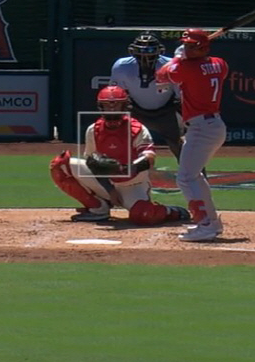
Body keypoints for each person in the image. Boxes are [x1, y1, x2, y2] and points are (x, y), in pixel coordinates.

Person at [49, 85, 190, 225]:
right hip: (108, 182)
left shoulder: (137, 129)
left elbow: (149, 158)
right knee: (60, 165)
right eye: (107, 106)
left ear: (124, 107)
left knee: (144, 215)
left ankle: (170, 211)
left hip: (133, 185)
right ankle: (98, 208)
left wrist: (127, 168)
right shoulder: (93, 130)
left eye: (116, 106)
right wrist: (110, 189)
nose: (111, 110)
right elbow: (92, 162)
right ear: (100, 107)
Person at [156, 28, 229, 242]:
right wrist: (185, 56)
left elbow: (161, 78)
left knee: (186, 178)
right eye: (185, 44)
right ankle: (211, 222)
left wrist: (177, 59)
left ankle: (206, 225)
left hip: (201, 128)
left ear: (202, 47)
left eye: (190, 45)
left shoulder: (186, 69)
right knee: (193, 176)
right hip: (212, 125)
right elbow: (202, 64)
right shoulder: (220, 63)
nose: (186, 48)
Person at [109, 32, 184, 162]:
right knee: (116, 141)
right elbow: (117, 96)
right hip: (135, 111)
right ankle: (116, 174)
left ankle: (196, 176)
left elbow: (181, 98)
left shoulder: (172, 66)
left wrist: (187, 125)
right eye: (141, 53)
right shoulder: (122, 67)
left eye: (150, 53)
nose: (145, 58)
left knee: (184, 146)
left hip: (166, 112)